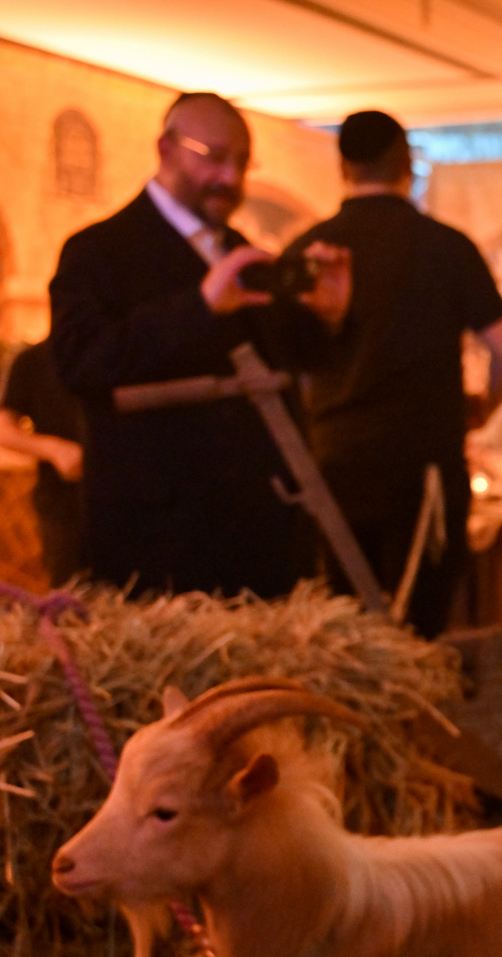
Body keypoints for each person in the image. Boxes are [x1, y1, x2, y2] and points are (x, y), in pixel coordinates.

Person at [48, 92, 350, 599]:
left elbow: (290, 367)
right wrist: (199, 307)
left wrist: (329, 317)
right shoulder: (97, 251)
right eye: (213, 157)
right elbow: (80, 364)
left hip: (260, 540)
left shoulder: (241, 254)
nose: (229, 177)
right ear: (165, 149)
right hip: (158, 546)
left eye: (241, 162)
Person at [284, 110, 502, 638]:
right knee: (419, 631)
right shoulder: (445, 247)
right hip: (424, 468)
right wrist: (483, 406)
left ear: (342, 166)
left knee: (344, 630)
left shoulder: (308, 252)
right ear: (407, 164)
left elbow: (290, 370)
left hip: (333, 464)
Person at [0, 339, 85, 586]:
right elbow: (4, 427)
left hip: (132, 498)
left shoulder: (127, 352)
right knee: (70, 588)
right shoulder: (32, 360)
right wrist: (53, 449)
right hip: (63, 502)